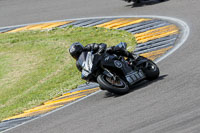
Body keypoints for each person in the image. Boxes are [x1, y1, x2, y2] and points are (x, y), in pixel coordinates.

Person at [69, 42, 137, 71]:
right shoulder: (78, 64)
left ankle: (132, 56)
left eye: (78, 53)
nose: (77, 56)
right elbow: (84, 72)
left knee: (112, 49)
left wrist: (100, 50)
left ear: (81, 49)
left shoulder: (88, 47)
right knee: (102, 87)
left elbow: (101, 45)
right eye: (75, 55)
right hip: (97, 67)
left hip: (104, 56)